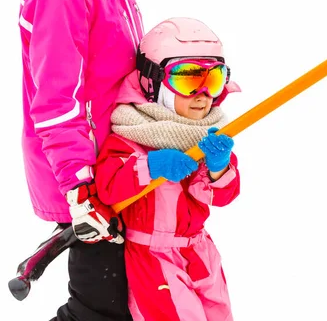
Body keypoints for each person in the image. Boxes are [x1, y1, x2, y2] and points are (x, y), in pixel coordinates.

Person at [13, 0, 142, 320]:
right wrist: (79, 186)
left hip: (119, 162)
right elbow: (56, 98)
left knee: (124, 302)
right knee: (100, 312)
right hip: (88, 171)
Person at [94, 17, 241, 321]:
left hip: (199, 252)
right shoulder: (131, 133)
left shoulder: (208, 134)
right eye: (187, 79)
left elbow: (225, 195)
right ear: (154, 82)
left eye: (213, 79)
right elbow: (107, 187)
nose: (203, 94)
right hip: (153, 259)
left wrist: (219, 167)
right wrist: (150, 166)